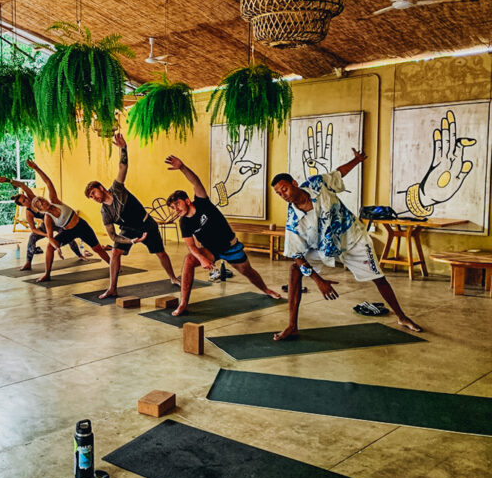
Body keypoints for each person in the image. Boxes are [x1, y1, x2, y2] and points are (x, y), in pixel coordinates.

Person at [271, 148, 421, 341]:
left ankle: (402, 316)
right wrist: (319, 281)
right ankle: (292, 326)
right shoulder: (293, 221)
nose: (283, 194)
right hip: (324, 247)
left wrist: (356, 160)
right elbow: (297, 256)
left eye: (284, 188)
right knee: (295, 269)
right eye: (278, 193)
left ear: (294, 183)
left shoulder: (318, 183)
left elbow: (339, 173)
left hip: (352, 238)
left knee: (378, 277)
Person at [165, 155, 280, 317]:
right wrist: (202, 258)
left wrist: (182, 167)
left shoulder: (202, 202)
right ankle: (183, 302)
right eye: (172, 207)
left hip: (231, 247)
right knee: (189, 260)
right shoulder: (184, 222)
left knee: (247, 271)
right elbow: (191, 246)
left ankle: (266, 289)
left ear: (187, 200)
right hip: (212, 250)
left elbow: (196, 182)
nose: (175, 209)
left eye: (177, 204)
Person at [85, 133, 180, 299]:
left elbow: (123, 168)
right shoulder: (104, 212)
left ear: (100, 187)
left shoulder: (117, 189)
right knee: (115, 253)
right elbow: (113, 235)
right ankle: (112, 288)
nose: (94, 197)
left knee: (161, 253)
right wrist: (130, 241)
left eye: (93, 193)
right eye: (91, 197)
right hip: (128, 230)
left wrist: (123, 148)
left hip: (146, 224)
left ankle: (173, 278)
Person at [0, 160, 110, 282]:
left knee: (97, 248)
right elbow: (50, 237)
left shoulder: (54, 200)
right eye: (39, 204)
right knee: (48, 246)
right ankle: (46, 273)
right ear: (40, 210)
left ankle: (112, 264)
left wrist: (36, 167)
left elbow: (47, 182)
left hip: (81, 225)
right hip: (68, 231)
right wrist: (57, 248)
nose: (42, 202)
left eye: (42, 200)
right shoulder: (47, 218)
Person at [2, 184, 91, 271]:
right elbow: (33, 229)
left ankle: (79, 255)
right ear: (22, 205)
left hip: (56, 221)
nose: (27, 200)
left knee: (68, 236)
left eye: (25, 197)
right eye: (24, 201)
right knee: (32, 237)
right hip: (46, 224)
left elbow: (23, 186)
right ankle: (28, 262)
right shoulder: (28, 213)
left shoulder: (33, 199)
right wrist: (46, 234)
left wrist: (9, 180)